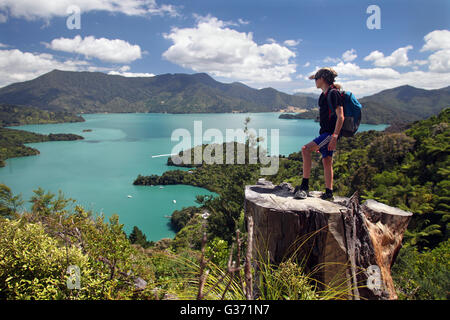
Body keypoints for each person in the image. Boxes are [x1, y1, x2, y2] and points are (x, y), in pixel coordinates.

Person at [294, 67, 344, 201]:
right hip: (327, 134)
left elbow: (341, 117)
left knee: (305, 149)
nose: (315, 81)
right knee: (327, 161)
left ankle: (304, 187)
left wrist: (334, 137)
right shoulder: (324, 95)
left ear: (322, 79)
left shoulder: (333, 93)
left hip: (329, 134)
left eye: (316, 79)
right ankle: (329, 193)